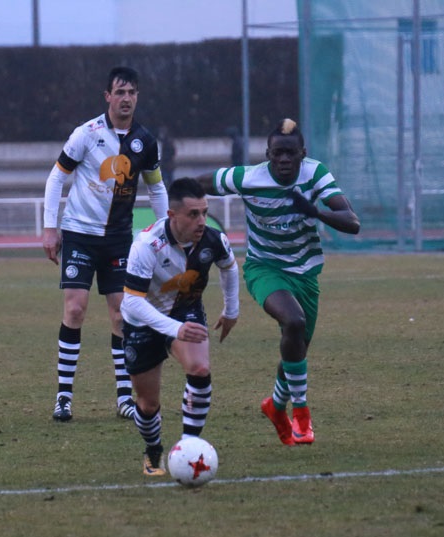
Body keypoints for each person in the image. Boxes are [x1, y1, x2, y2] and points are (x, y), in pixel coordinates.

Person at [197, 118, 360, 446]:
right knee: (293, 321)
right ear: (267, 154)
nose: (284, 160)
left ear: (303, 153)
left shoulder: (315, 173)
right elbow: (198, 183)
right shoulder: (247, 177)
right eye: (278, 154)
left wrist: (315, 211)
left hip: (306, 272)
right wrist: (177, 207)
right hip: (264, 268)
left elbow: (352, 222)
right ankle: (301, 416)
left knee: (297, 347)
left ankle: (275, 405)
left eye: (291, 154)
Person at [42, 66, 169, 422]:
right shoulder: (87, 134)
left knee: (121, 315)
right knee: (76, 309)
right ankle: (64, 397)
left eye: (132, 92)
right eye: (120, 92)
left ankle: (124, 399)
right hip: (80, 234)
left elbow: (156, 187)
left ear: (137, 97)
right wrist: (50, 229)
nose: (126, 98)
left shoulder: (146, 141)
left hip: (118, 240)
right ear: (107, 96)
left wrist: (163, 234)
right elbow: (57, 178)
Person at [121, 178, 239, 475]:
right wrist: (174, 329)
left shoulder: (213, 239)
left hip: (186, 310)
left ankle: (189, 446)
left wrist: (231, 310)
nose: (202, 220)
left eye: (204, 212)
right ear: (172, 216)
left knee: (199, 368)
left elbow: (229, 267)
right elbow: (133, 303)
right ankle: (153, 449)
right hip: (142, 321)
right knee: (147, 404)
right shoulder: (147, 245)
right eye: (193, 214)